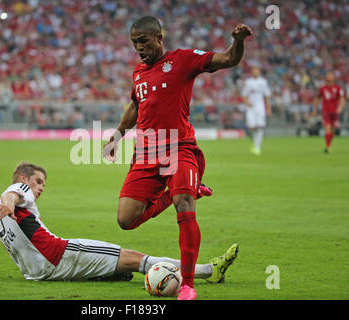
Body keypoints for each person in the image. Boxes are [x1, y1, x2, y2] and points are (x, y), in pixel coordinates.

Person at [102, 16, 251, 300]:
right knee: (126, 220)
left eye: (143, 41)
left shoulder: (183, 60)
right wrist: (117, 136)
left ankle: (188, 284)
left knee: (185, 204)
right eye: (134, 43)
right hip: (145, 153)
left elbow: (229, 59)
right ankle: (182, 191)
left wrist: (238, 41)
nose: (139, 48)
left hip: (178, 147)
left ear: (159, 37)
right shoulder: (139, 73)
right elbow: (136, 106)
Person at [0, 162, 239, 292]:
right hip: (61, 254)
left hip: (38, 276)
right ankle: (208, 271)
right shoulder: (17, 190)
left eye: (42, 185)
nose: (40, 189)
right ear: (24, 178)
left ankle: (108, 274)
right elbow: (11, 194)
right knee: (136, 259)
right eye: (39, 182)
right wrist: (10, 203)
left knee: (121, 267)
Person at [312, 71, 346, 153]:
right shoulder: (322, 88)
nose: (329, 78)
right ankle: (327, 147)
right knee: (327, 129)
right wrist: (315, 109)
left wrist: (340, 107)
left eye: (330, 76)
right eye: (328, 76)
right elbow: (317, 99)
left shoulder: (338, 88)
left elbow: (342, 99)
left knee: (333, 131)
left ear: (333, 77)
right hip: (326, 112)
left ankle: (328, 144)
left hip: (335, 112)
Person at [241, 65, 272, 156]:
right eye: (254, 70)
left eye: (257, 70)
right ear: (251, 72)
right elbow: (244, 95)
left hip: (260, 107)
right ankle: (254, 142)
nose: (255, 72)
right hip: (250, 108)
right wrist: (247, 102)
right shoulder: (248, 82)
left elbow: (266, 96)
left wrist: (268, 108)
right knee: (251, 127)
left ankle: (257, 147)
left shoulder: (263, 82)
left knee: (260, 126)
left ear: (259, 72)